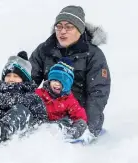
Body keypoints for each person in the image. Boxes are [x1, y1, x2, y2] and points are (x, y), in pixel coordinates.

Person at [29, 5, 111, 143]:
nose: (62, 31)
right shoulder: (45, 49)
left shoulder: (94, 55)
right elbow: (28, 80)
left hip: (76, 115)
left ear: (80, 30)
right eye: (59, 27)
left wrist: (87, 127)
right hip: (48, 109)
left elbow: (98, 93)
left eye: (68, 27)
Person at [35, 58, 88, 140]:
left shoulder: (70, 101)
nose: (57, 83)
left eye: (61, 82)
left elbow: (80, 117)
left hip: (58, 126)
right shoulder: (39, 93)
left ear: (67, 85)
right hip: (40, 124)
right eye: (54, 80)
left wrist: (77, 128)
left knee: (66, 121)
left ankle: (61, 134)